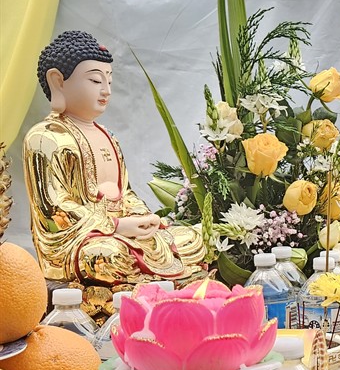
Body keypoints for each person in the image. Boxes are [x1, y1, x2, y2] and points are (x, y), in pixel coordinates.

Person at [24, 30, 206, 286]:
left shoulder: (107, 136)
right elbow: (55, 211)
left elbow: (125, 193)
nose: (106, 91)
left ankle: (150, 274)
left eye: (109, 80)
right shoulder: (46, 137)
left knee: (192, 238)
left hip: (123, 232)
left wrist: (143, 218)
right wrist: (116, 225)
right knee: (106, 257)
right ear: (58, 82)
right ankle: (155, 276)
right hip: (79, 241)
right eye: (95, 81)